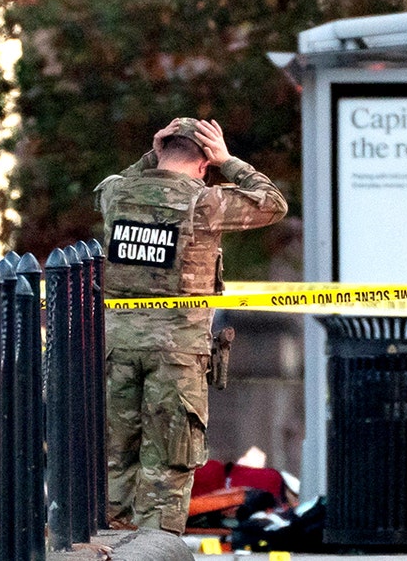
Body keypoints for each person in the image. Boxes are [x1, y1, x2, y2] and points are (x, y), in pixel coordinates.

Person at [94, 118, 287, 534]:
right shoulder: (204, 202)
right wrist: (229, 160)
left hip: (115, 348)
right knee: (168, 463)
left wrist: (154, 154)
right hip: (176, 355)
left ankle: (108, 544)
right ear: (203, 164)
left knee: (114, 458)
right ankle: (156, 550)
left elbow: (128, 180)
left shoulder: (115, 192)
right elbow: (272, 202)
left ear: (161, 149)